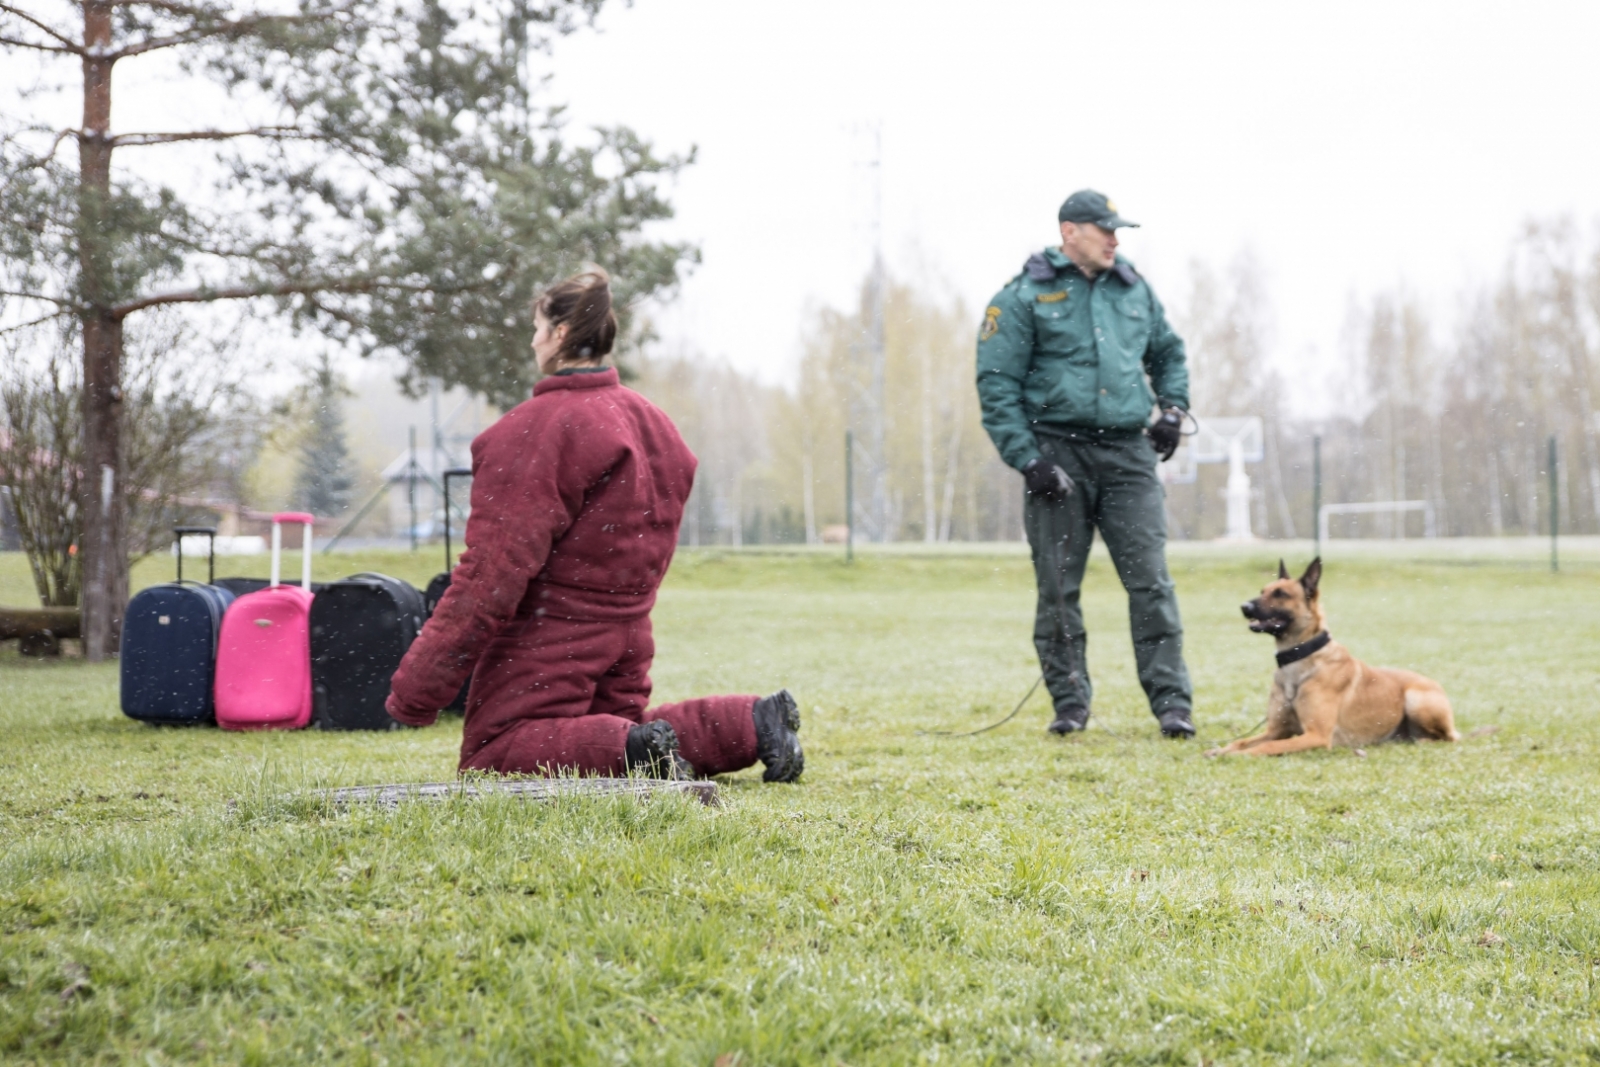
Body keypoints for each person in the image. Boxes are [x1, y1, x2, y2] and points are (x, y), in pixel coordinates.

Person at [385, 269, 804, 781]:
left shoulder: (534, 430)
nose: (533, 339)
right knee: (616, 730)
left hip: (553, 632)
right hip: (629, 630)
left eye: (538, 328)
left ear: (560, 334)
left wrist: (417, 688)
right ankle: (751, 722)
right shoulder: (652, 421)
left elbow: (490, 575)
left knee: (495, 755)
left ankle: (637, 751)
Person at [976, 189, 1195, 739]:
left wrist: (1172, 409)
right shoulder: (1024, 295)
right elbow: (997, 385)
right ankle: (1069, 705)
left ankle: (1173, 706)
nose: (1115, 241)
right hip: (1057, 456)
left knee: (1151, 583)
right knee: (1057, 589)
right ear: (1070, 231)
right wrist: (1028, 461)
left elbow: (1168, 352)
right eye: (1106, 230)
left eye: (1117, 232)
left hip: (1127, 455)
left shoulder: (1134, 289)